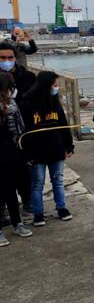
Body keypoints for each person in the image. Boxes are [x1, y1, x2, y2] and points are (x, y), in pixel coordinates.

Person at [20, 71, 74, 227]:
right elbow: (24, 130)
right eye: (54, 85)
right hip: (37, 151)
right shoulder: (27, 103)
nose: (56, 88)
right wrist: (27, 152)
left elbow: (63, 124)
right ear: (46, 85)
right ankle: (38, 213)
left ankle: (61, 207)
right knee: (37, 183)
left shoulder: (54, 101)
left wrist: (68, 145)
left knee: (58, 180)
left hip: (56, 148)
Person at [0, 40, 35, 211]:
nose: (7, 61)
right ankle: (4, 206)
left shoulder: (27, 77)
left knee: (24, 171)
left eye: (10, 57)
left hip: (23, 133)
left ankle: (27, 199)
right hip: (2, 137)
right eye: (2, 58)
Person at [0, 72, 33, 246]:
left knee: (12, 192)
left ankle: (17, 223)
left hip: (14, 155)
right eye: (10, 88)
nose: (13, 90)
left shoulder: (13, 104)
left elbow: (20, 130)